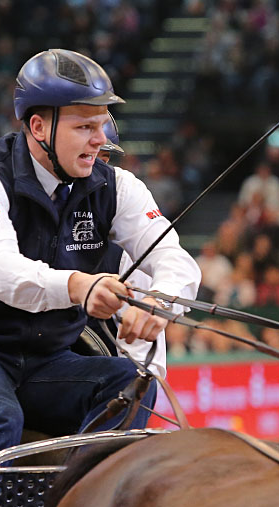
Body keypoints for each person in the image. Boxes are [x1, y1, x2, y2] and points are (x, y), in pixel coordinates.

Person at [0, 49, 200, 507]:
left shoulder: (118, 187)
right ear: (39, 127)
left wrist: (157, 302)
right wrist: (79, 286)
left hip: (47, 360)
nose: (100, 140)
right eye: (85, 127)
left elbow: (173, 259)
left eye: (102, 125)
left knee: (128, 385)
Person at [91, 112, 167, 380]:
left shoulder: (127, 253)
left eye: (103, 158)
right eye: (88, 155)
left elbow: (144, 367)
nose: (95, 167)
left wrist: (159, 303)